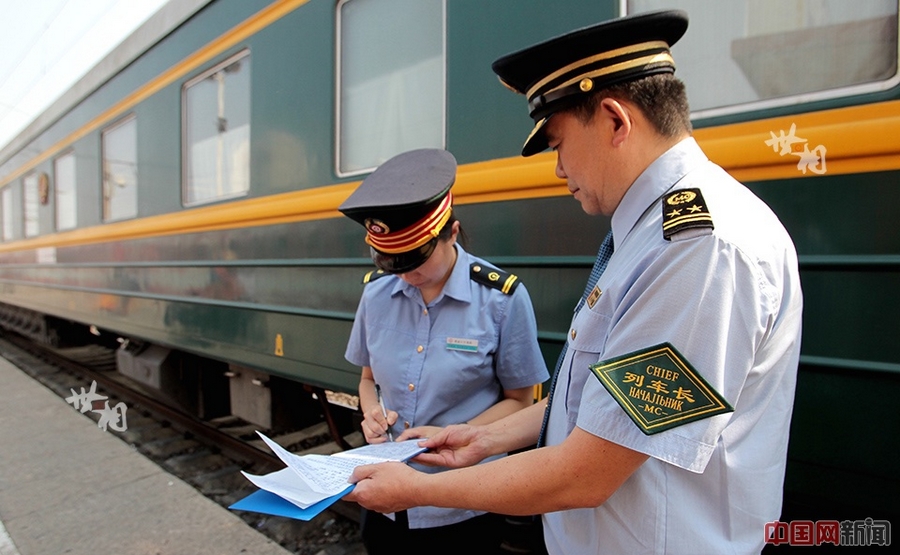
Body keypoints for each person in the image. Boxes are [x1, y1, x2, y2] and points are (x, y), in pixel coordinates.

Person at [345, 10, 803, 555]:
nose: (559, 168)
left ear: (614, 121)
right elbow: (605, 408)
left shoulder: (697, 250)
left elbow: (589, 472)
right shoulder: (654, 237)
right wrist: (483, 437)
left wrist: (418, 489)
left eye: (559, 143)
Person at [339, 148, 549, 555]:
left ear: (451, 232)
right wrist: (372, 412)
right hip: (385, 495)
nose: (405, 274)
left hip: (461, 503)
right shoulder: (376, 295)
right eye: (392, 263)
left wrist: (458, 434)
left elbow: (521, 401)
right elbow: (367, 379)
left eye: (414, 260)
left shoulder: (501, 300)